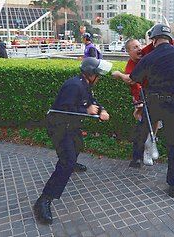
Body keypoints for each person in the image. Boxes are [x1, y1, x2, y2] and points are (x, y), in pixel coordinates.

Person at [34, 57, 112, 224]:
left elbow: (92, 102)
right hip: (60, 127)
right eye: (98, 74)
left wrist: (101, 110)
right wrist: (87, 110)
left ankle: (71, 163)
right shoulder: (74, 85)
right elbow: (63, 110)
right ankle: (44, 199)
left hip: (71, 127)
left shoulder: (85, 84)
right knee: (66, 161)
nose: (100, 78)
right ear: (91, 74)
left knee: (78, 146)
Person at [123, 24, 174, 198]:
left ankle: (136, 159)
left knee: (143, 129)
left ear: (153, 40)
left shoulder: (149, 58)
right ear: (169, 38)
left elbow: (134, 78)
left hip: (154, 104)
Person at [112, 39, 161, 166]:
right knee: (144, 126)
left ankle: (147, 149)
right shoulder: (130, 65)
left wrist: (119, 74)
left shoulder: (144, 52)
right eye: (134, 47)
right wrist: (121, 75)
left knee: (154, 122)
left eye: (139, 45)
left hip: (153, 97)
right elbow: (131, 80)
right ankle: (140, 155)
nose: (139, 48)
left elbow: (163, 42)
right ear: (128, 52)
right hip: (141, 100)